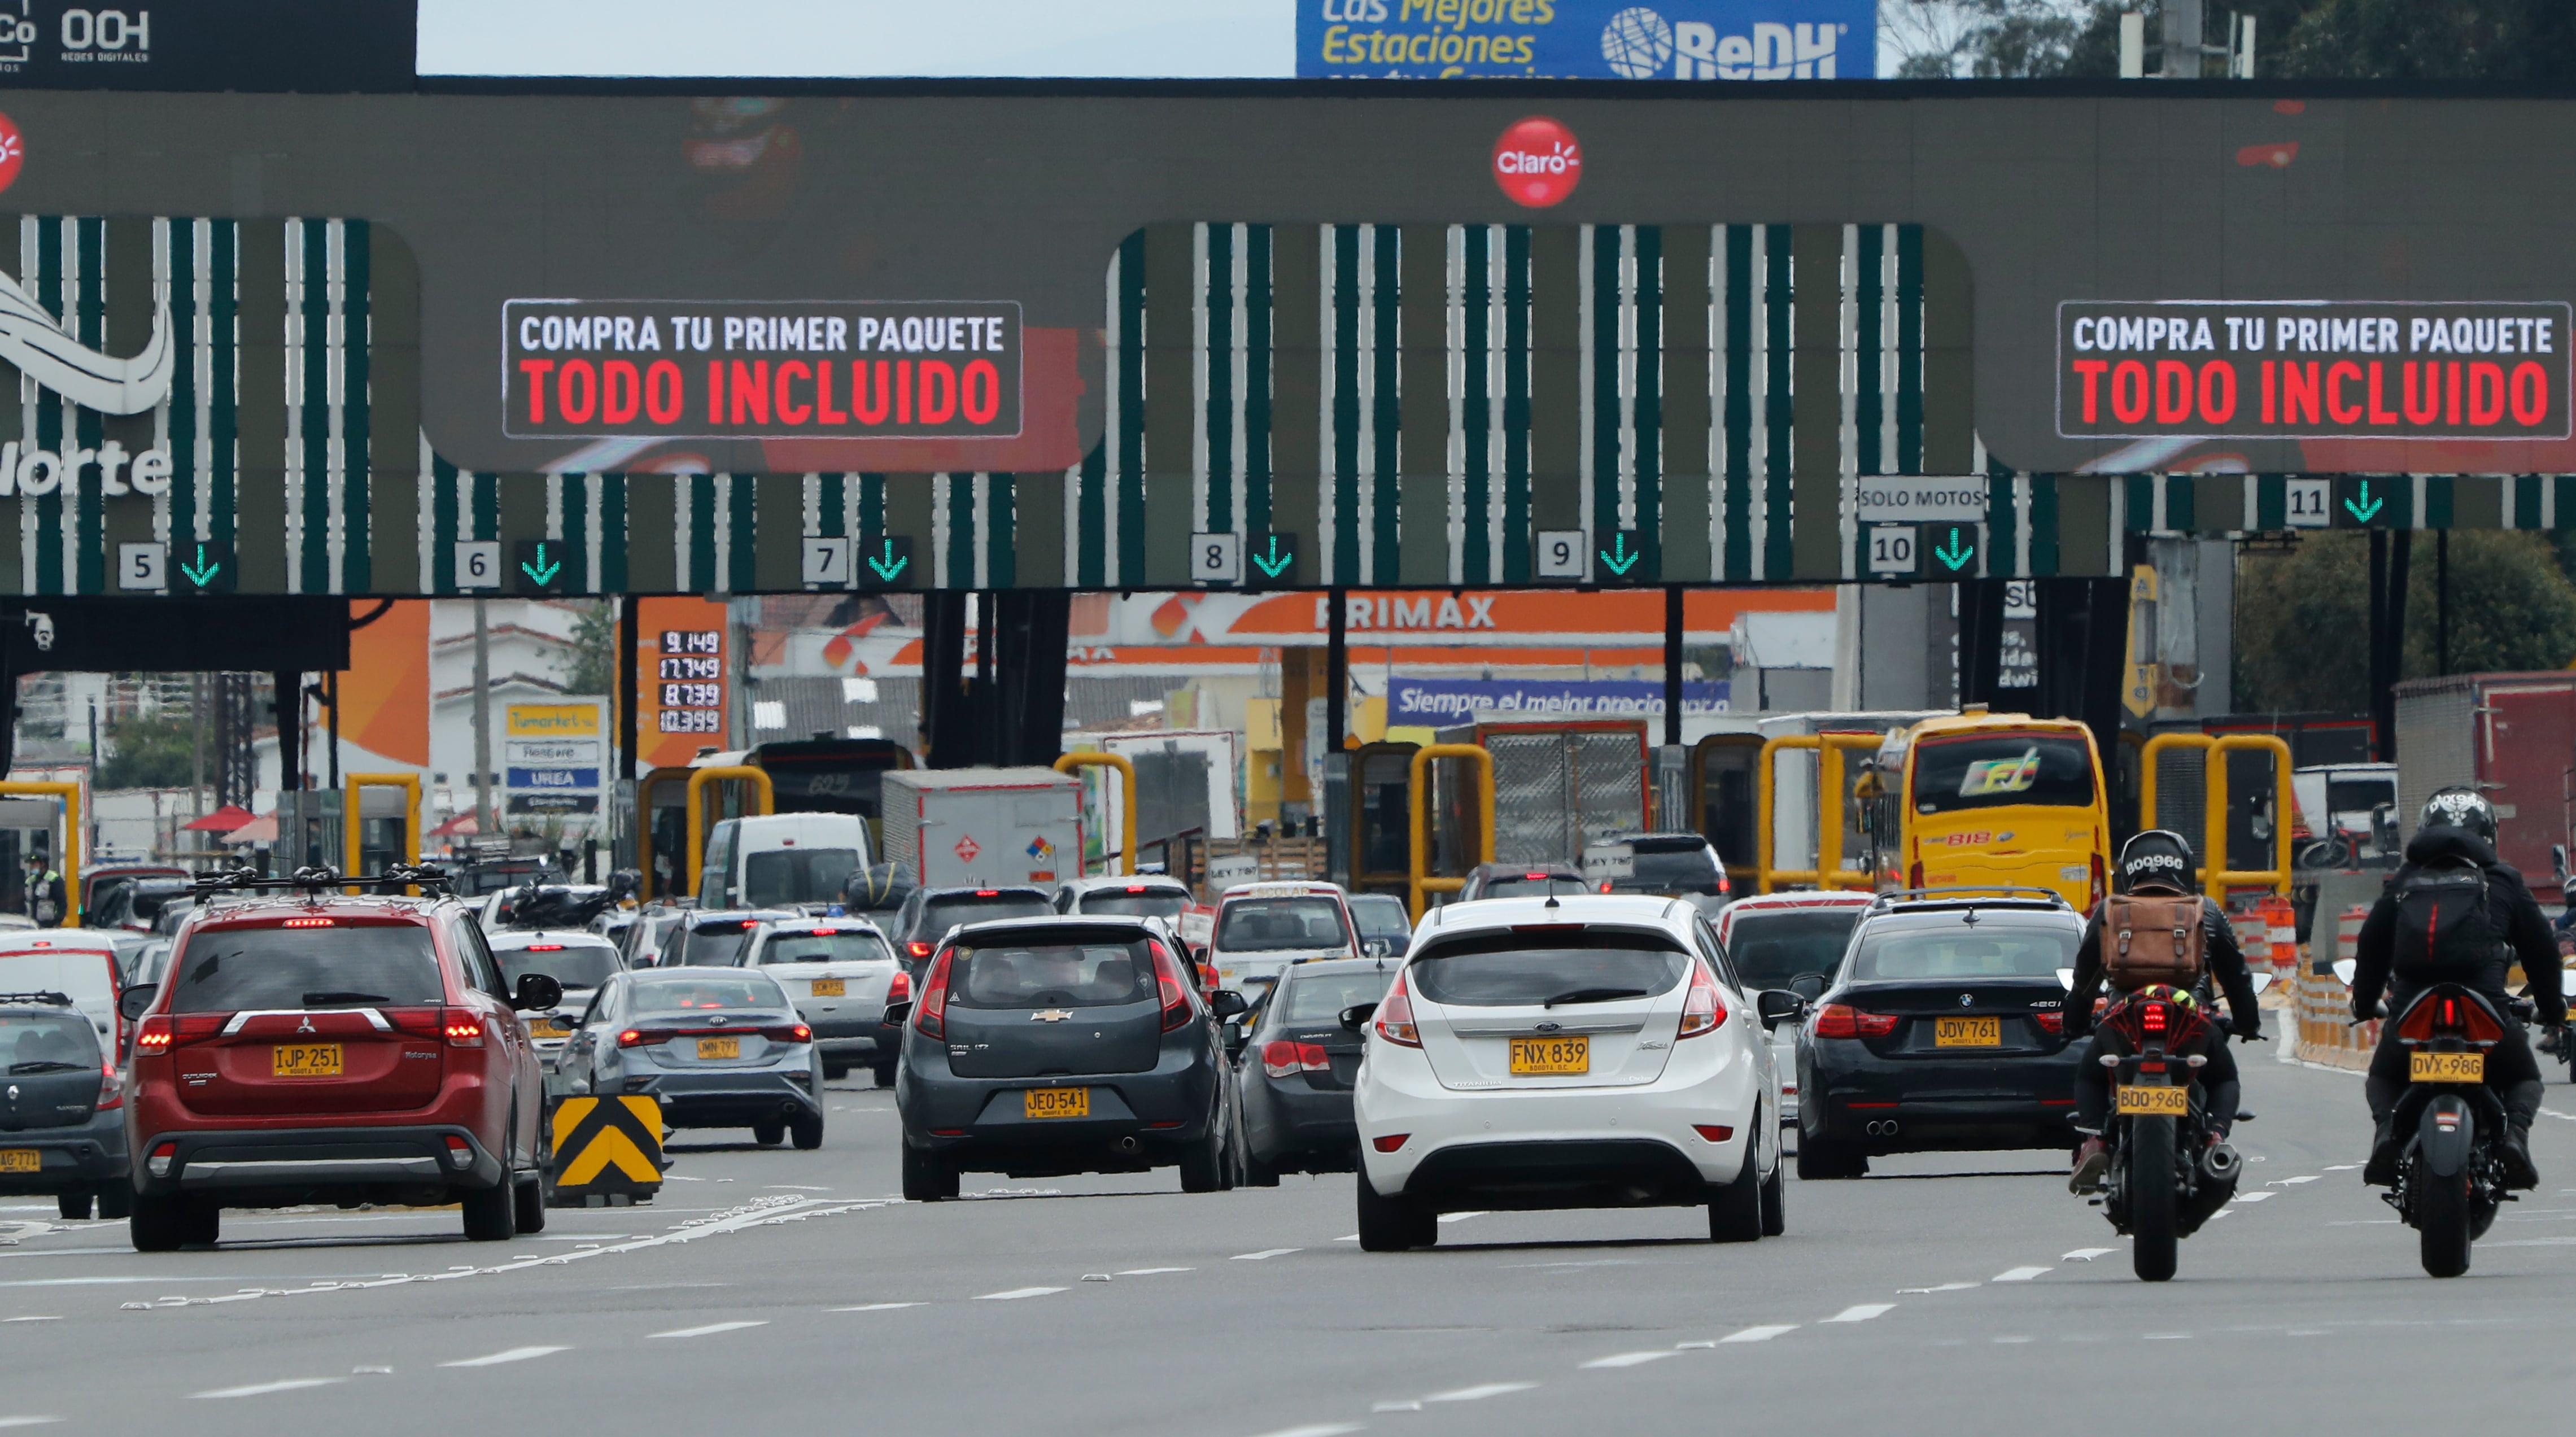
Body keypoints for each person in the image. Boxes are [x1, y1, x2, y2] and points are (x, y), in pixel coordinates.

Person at [2352, 787, 2563, 1189]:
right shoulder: (2504, 879)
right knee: (2525, 1078)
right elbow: (2542, 952)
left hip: (2414, 1007)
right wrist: (2552, 1011)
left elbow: (2371, 944)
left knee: (2382, 1075)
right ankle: (2515, 1140)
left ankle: (2386, 1138)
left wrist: (2364, 1004)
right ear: (2489, 833)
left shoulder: (2405, 880)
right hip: (2483, 1006)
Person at [2064, 829, 2266, 1194]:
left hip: (2123, 1018)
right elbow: (2238, 977)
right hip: (2188, 1017)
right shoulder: (2205, 910)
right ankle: (2214, 1140)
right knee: (2223, 1077)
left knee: (2089, 1074)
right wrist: (2248, 1024)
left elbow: (2083, 980)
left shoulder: (2110, 911)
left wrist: (2074, 1024)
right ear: (2184, 868)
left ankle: (2096, 1141)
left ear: (2128, 871)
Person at [19, 855, 63, 928]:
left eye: (34, 864)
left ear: (43, 864)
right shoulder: (31, 881)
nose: (32, 867)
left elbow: (62, 902)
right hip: (34, 923)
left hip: (51, 924)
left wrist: (57, 920)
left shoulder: (54, 879)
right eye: (31, 864)